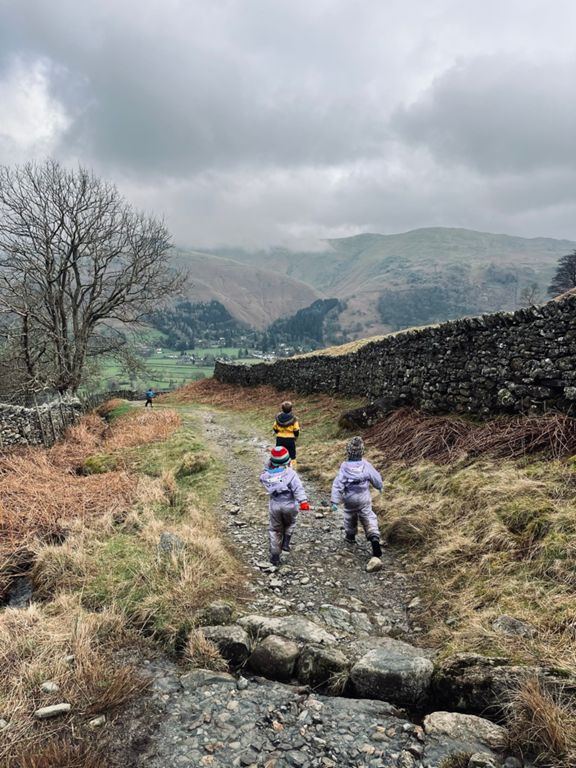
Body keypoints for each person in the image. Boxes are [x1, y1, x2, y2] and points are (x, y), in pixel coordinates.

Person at [330, 436, 383, 566]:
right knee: (368, 515)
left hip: (350, 498)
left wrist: (335, 501)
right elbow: (375, 477)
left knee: (350, 516)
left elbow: (338, 484)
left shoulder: (344, 466)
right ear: (362, 452)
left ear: (348, 452)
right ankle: (373, 536)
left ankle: (350, 535)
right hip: (364, 496)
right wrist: (379, 486)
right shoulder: (366, 465)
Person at [260, 446, 310, 566]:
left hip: (275, 506)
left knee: (275, 529)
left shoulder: (266, 476)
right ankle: (286, 542)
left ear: (272, 462)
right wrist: (303, 501)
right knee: (290, 523)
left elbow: (265, 472)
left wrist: (270, 463)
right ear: (288, 461)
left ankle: (275, 555)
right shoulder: (291, 474)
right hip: (290, 506)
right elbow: (298, 488)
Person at [273, 401, 300, 469]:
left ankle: (279, 468)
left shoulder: (278, 418)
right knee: (292, 454)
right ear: (291, 409)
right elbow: (296, 430)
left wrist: (278, 432)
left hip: (280, 439)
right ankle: (292, 468)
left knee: (279, 454)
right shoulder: (294, 419)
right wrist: (296, 436)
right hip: (290, 439)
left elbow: (275, 428)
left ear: (282, 409)